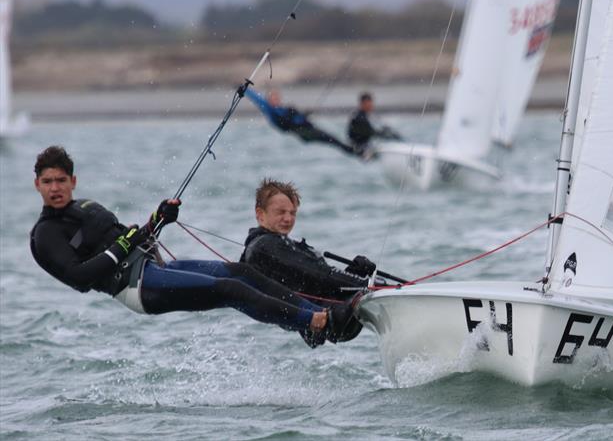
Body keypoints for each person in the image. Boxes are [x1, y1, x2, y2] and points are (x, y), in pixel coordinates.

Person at [29, 145, 355, 348]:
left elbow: (135, 237)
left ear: (73, 181)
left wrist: (159, 218)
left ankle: (318, 317)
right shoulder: (45, 235)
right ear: (37, 185)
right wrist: (124, 244)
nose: (55, 188)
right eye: (47, 182)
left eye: (60, 180)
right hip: (138, 289)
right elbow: (80, 278)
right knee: (229, 288)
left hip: (153, 267)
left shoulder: (85, 207)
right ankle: (316, 323)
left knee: (241, 272)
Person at [240, 178, 380, 344]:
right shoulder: (265, 245)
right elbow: (320, 275)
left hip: (325, 316)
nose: (288, 218)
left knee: (365, 283)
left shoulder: (272, 244)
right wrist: (367, 284)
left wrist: (354, 272)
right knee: (371, 286)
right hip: (326, 319)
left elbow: (314, 283)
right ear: (260, 214)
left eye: (292, 213)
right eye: (281, 212)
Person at [245, 87, 356, 156]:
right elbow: (257, 99)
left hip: (306, 130)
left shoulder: (284, 109)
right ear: (269, 100)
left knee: (331, 139)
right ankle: (352, 151)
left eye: (277, 98)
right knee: (330, 139)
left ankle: (352, 150)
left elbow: (297, 119)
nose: (276, 100)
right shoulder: (270, 109)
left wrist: (304, 115)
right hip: (302, 133)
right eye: (273, 98)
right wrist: (245, 89)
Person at [347, 92, 402, 157]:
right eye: (368, 104)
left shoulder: (362, 115)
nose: (371, 106)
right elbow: (371, 132)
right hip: (358, 150)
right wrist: (389, 135)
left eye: (371, 103)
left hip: (362, 147)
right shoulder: (359, 118)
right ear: (362, 104)